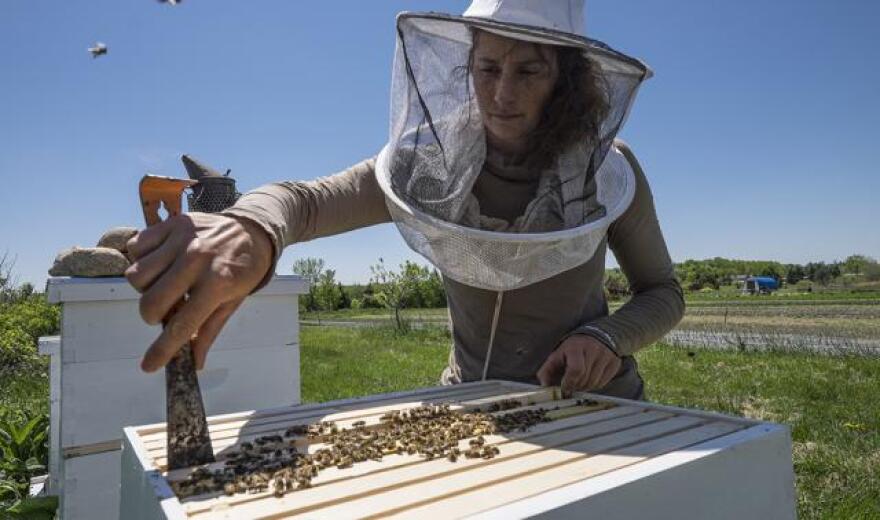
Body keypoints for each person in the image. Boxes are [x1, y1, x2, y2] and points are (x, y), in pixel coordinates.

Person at [125, 0, 684, 401]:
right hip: (472, 402)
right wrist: (253, 225)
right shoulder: (432, 160)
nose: (502, 94)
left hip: (592, 402)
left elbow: (662, 292)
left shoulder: (608, 170)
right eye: (487, 69)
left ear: (566, 81)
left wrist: (605, 337)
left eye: (528, 71)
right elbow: (309, 202)